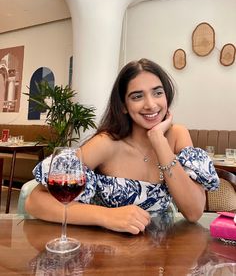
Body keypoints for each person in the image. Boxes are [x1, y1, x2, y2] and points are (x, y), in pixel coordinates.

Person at [25, 58, 219, 235]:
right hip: (108, 252)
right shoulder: (106, 143)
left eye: (157, 93)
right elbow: (35, 201)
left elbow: (194, 212)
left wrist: (159, 141)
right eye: (137, 96)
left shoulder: (177, 135)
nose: (151, 104)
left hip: (162, 255)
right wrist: (106, 216)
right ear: (124, 106)